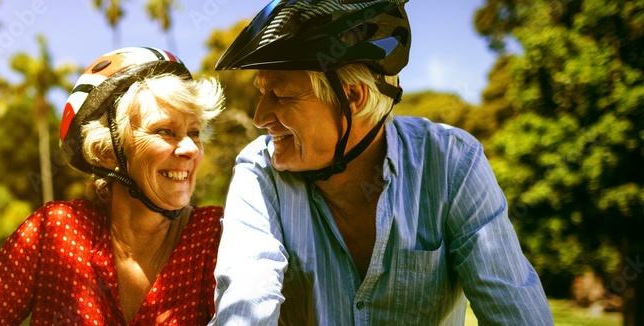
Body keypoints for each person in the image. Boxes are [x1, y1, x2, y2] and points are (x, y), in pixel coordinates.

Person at [209, 0, 553, 325]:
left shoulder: (452, 163)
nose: (259, 117)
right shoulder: (259, 170)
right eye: (261, 93)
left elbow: (514, 308)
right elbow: (246, 297)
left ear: (352, 97)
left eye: (281, 95)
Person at [0, 47, 226, 326]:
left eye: (195, 133)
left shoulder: (217, 237)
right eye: (165, 130)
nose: (191, 149)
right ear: (106, 151)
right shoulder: (55, 232)